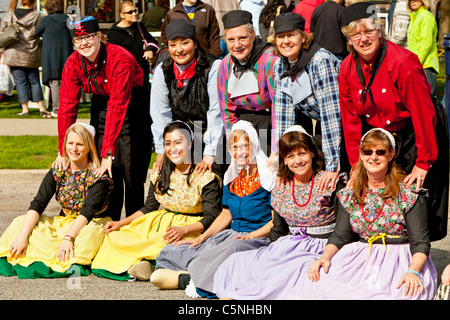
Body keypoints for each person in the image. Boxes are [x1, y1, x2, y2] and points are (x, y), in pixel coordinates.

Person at [338, 2, 447, 241]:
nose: (363, 39)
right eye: (356, 34)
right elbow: (350, 120)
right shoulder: (346, 68)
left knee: (414, 196)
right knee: (378, 197)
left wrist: (423, 161)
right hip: (378, 135)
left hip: (413, 132)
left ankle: (416, 259)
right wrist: (357, 164)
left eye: (368, 31)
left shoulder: (403, 63)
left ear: (379, 31)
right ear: (348, 38)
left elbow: (422, 114)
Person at [288, 128, 437, 299]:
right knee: (317, 285)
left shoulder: (408, 194)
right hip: (360, 257)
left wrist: (413, 270)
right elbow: (340, 236)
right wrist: (325, 256)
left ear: (391, 155)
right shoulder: (351, 194)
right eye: (368, 151)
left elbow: (420, 242)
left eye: (380, 152)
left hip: (399, 259)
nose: (373, 157)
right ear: (361, 154)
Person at [213, 125, 346, 299]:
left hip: (321, 246)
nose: (297, 160)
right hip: (289, 244)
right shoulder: (282, 186)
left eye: (302, 153)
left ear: (312, 153)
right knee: (238, 263)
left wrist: (328, 253)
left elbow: (342, 230)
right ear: (284, 160)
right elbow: (278, 228)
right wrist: (273, 251)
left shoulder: (329, 184)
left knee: (297, 273)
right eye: (290, 156)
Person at [150, 120, 275, 298]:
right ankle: (198, 273)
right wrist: (201, 238)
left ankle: (191, 279)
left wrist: (251, 236)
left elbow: (275, 222)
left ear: (254, 145)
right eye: (234, 147)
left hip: (259, 237)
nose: (240, 152)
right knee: (173, 250)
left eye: (245, 146)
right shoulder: (231, 178)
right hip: (233, 234)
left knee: (233, 247)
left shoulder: (269, 178)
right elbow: (226, 215)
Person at [91, 121, 222, 281]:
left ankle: (148, 264)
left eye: (178, 142)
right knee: (119, 236)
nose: (172, 149)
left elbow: (212, 216)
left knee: (165, 245)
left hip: (189, 228)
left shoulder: (204, 177)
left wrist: (185, 230)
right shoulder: (161, 173)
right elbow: (149, 207)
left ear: (190, 144)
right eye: (168, 143)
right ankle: (143, 263)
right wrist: (121, 223)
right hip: (159, 223)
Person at [56, 16, 150, 222]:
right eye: (78, 40)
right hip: (101, 101)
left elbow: (118, 105)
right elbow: (66, 106)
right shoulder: (73, 63)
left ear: (100, 37)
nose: (84, 43)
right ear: (73, 44)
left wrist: (110, 151)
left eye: (89, 37)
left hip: (132, 103)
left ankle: (134, 225)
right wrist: (62, 149)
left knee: (130, 169)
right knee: (106, 170)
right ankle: (108, 221)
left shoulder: (120, 58)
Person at [0, 123, 113, 279]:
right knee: (20, 223)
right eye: (70, 143)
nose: (74, 149)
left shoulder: (98, 176)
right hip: (64, 221)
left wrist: (68, 238)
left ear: (89, 146)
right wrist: (23, 236)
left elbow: (87, 211)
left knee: (89, 236)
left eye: (80, 144)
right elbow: (38, 203)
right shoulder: (58, 170)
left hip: (88, 224)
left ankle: (55, 255)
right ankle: (30, 251)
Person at [270, 12, 343, 191]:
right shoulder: (280, 64)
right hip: (323, 122)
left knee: (334, 179)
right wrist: (282, 164)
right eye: (281, 37)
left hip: (346, 124)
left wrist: (332, 167)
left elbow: (331, 116)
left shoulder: (320, 61)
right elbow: (282, 118)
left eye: (291, 35)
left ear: (303, 37)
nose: (286, 41)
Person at [150, 19, 224, 175]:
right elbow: (160, 115)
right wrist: (162, 149)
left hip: (210, 133)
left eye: (184, 43)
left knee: (209, 181)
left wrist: (209, 152)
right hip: (179, 138)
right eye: (173, 45)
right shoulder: (162, 71)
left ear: (195, 43)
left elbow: (216, 112)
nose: (179, 50)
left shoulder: (213, 67)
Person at [217, 10, 277, 154]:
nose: (237, 45)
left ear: (253, 36)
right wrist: (234, 145)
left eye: (242, 38)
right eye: (231, 40)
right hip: (243, 125)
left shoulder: (270, 60)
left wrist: (276, 149)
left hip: (270, 123)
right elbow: (227, 110)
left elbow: (278, 107)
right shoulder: (225, 65)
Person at [0, 0, 49, 116]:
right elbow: (40, 32)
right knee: (35, 80)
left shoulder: (11, 14)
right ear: (32, 2)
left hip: (14, 53)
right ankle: (41, 107)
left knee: (20, 82)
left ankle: (25, 109)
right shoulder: (38, 15)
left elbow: (2, 31)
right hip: (31, 53)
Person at [35, 0, 74, 119]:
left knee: (55, 83)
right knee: (67, 83)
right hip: (66, 55)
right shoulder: (67, 18)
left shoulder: (47, 20)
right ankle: (68, 108)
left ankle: (56, 109)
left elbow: (37, 32)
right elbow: (74, 33)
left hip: (51, 56)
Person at [107, 1, 159, 82]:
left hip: (143, 76)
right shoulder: (114, 34)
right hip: (126, 78)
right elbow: (111, 58)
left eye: (135, 11)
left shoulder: (139, 26)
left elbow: (152, 40)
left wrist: (150, 50)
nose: (134, 14)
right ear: (122, 15)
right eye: (130, 12)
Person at [406, 0, 439, 95]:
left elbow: (426, 43)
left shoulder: (426, 16)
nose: (412, 1)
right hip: (417, 64)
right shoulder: (414, 17)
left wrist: (416, 63)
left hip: (425, 65)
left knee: (427, 99)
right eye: (410, 0)